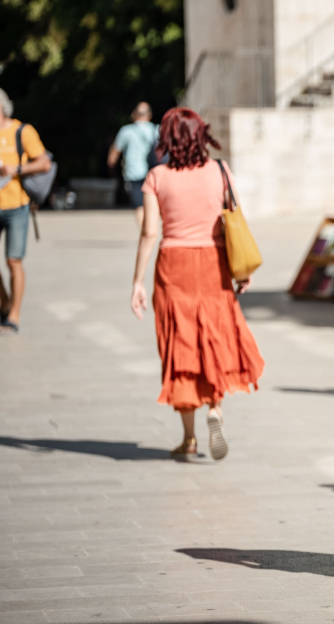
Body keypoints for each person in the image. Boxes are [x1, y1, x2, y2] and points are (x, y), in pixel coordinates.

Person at [130, 107, 265, 459]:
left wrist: (137, 282)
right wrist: (242, 269)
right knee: (214, 337)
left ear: (167, 139)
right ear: (200, 135)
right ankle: (215, 410)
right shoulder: (219, 171)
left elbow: (149, 232)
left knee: (182, 345)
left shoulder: (156, 177)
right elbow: (235, 219)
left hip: (173, 265)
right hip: (214, 262)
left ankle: (188, 438)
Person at [0, 87, 52, 334]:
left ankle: (13, 314)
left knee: (14, 261)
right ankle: (4, 300)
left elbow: (44, 162)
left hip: (17, 206)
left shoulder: (22, 131)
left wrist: (16, 169)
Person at [109, 102, 159, 230]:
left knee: (139, 206)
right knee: (154, 203)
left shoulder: (126, 131)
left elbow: (113, 156)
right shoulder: (158, 130)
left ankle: (146, 232)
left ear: (135, 114)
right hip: (154, 172)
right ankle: (152, 230)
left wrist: (112, 168)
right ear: (150, 115)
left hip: (134, 173)